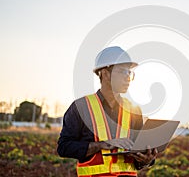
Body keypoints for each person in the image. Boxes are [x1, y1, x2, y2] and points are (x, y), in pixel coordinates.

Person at [57, 46, 157, 177]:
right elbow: (64, 147)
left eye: (130, 73)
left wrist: (147, 160)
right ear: (105, 73)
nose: (128, 77)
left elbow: (138, 151)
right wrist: (102, 145)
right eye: (123, 72)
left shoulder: (134, 110)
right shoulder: (81, 107)